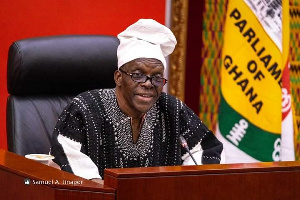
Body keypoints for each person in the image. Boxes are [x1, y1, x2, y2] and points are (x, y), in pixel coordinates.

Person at [50, 19, 223, 182]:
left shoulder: (172, 110)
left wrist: (181, 187)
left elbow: (207, 149)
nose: (148, 84)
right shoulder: (85, 108)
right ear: (118, 78)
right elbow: (65, 154)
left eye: (156, 78)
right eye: (138, 75)